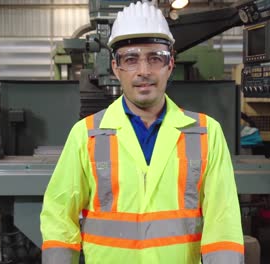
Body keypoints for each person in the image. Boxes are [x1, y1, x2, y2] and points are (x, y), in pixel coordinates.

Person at [40, 1, 244, 263]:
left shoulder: (207, 134)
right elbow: (59, 216)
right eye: (131, 59)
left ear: (170, 65)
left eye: (155, 58)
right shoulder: (86, 135)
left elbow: (223, 224)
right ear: (116, 68)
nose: (144, 71)